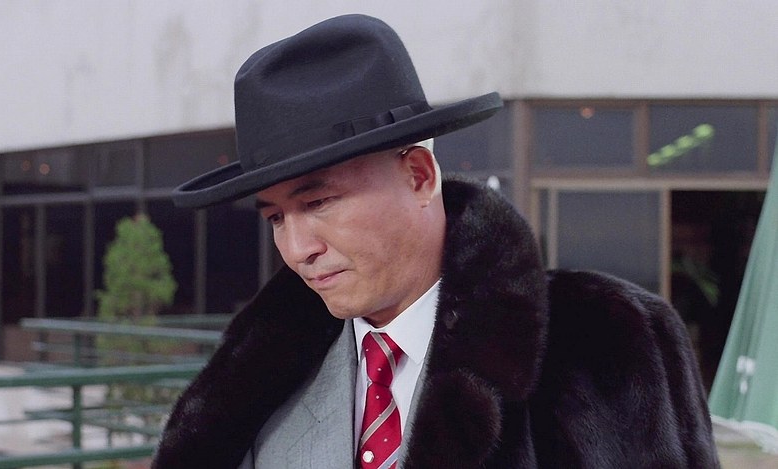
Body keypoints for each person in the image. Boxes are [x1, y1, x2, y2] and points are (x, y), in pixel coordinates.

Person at [152, 14, 719, 469]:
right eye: (275, 218)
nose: (299, 248)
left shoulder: (606, 340)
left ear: (420, 176)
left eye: (319, 203)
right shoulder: (253, 391)